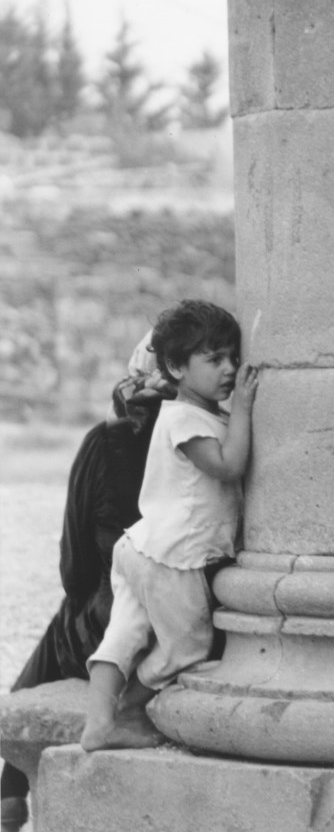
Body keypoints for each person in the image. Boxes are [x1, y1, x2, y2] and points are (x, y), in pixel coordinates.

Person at [1, 340, 178, 832]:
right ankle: (9, 793)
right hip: (189, 608)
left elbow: (73, 566)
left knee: (75, 610)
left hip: (110, 623)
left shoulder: (104, 443)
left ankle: (10, 791)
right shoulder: (206, 433)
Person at [80, 299, 258, 751]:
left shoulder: (197, 414)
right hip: (171, 558)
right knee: (188, 648)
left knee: (123, 633)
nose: (230, 369)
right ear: (176, 368)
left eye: (233, 357)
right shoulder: (183, 419)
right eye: (214, 359)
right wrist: (245, 408)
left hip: (141, 546)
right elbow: (229, 465)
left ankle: (97, 721)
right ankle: (129, 710)